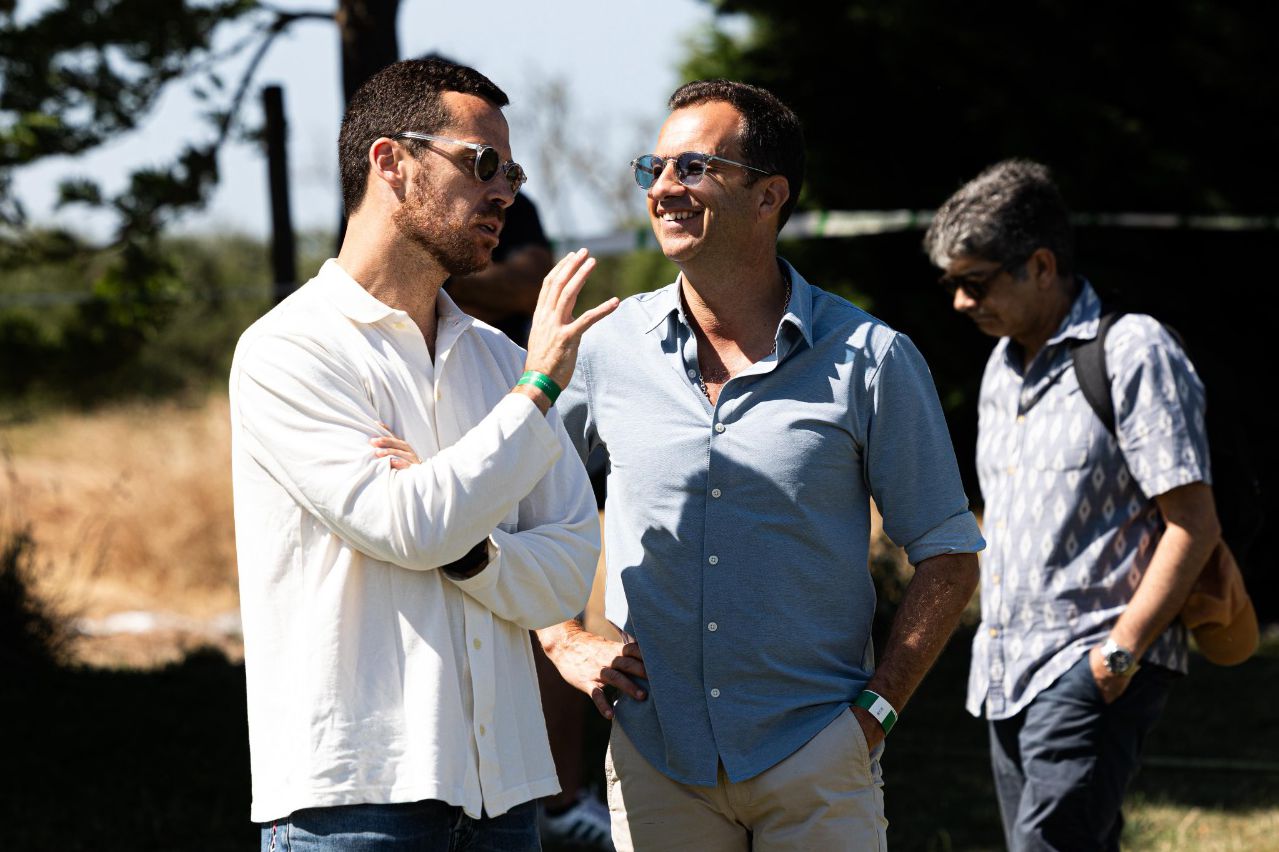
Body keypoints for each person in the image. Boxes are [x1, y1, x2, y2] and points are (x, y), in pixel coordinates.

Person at [533, 79, 986, 851]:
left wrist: (873, 716)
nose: (664, 189)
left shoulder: (871, 359)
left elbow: (948, 558)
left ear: (769, 194)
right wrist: (560, 636)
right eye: (656, 168)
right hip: (655, 759)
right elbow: (518, 504)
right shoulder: (605, 351)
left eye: (693, 167)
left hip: (816, 756)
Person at [229, 57, 617, 850]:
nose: (506, 191)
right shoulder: (286, 351)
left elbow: (568, 567)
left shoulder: (498, 361)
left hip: (504, 797)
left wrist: (469, 551)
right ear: (390, 162)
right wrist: (538, 389)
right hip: (353, 801)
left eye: (512, 170)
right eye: (482, 164)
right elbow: (409, 528)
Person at [924, 159, 1221, 851]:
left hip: (1091, 662)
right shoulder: (1000, 367)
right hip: (1003, 672)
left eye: (975, 283)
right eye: (950, 285)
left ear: (1041, 265)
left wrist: (1118, 656)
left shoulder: (1131, 350)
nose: (960, 304)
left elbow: (1192, 521)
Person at [449, 192, 615, 850]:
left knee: (551, 599)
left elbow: (529, 280)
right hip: (484, 420)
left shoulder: (506, 201)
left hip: (527, 411)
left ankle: (562, 798)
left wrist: (448, 279)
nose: (495, 183)